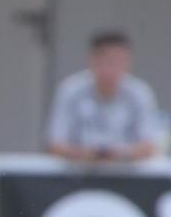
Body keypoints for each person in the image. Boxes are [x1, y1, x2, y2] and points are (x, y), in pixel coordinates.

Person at [46, 30, 162, 162]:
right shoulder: (71, 90)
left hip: (127, 175)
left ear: (128, 62)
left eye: (117, 62)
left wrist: (120, 153)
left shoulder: (140, 93)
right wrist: (85, 154)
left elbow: (150, 147)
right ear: (92, 60)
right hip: (77, 174)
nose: (110, 69)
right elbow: (54, 145)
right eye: (106, 61)